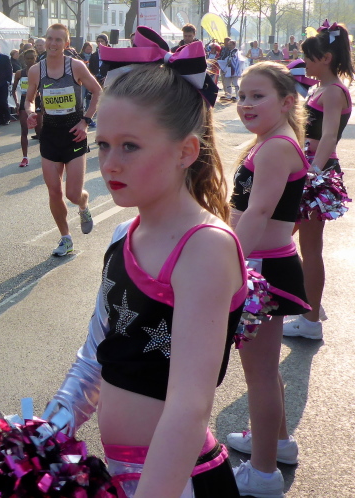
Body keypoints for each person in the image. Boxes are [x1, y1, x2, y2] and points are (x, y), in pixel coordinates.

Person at [42, 26, 244, 497]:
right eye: (103, 145)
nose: (110, 164)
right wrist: (40, 438)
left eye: (130, 146)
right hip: (121, 478)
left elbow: (189, 407)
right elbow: (94, 360)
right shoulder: (122, 236)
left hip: (176, 483)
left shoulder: (204, 247)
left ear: (185, 151)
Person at [224, 61, 310, 498]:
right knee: (264, 370)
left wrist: (226, 265)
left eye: (257, 96)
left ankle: (262, 474)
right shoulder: (271, 142)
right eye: (242, 95)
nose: (245, 104)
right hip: (263, 263)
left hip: (261, 268)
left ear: (287, 101)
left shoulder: (276, 147)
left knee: (258, 376)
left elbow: (257, 212)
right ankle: (277, 444)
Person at [283, 22, 354, 340]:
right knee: (281, 240)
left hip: (316, 175)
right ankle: (310, 304)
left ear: (325, 58)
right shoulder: (320, 88)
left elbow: (328, 137)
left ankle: (310, 321)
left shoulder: (334, 90)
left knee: (308, 248)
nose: (305, 63)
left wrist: (313, 171)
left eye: (309, 57)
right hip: (308, 170)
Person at [25, 24, 101, 255]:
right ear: (45, 40)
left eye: (59, 40)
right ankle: (65, 238)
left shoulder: (76, 66)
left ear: (66, 44)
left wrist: (85, 121)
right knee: (54, 191)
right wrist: (30, 113)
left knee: (72, 194)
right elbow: (29, 99)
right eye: (50, 38)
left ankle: (83, 204)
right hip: (50, 134)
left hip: (74, 134)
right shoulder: (36, 70)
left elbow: (97, 91)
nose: (53, 43)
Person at [11, 49, 41, 168]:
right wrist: (17, 103)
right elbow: (13, 89)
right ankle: (25, 157)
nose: (30, 61)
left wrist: (41, 95)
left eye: (32, 58)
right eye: (27, 58)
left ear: (35, 58)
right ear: (24, 59)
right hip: (24, 101)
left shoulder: (41, 71)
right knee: (24, 130)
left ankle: (45, 155)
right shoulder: (20, 73)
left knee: (40, 131)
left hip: (37, 102)